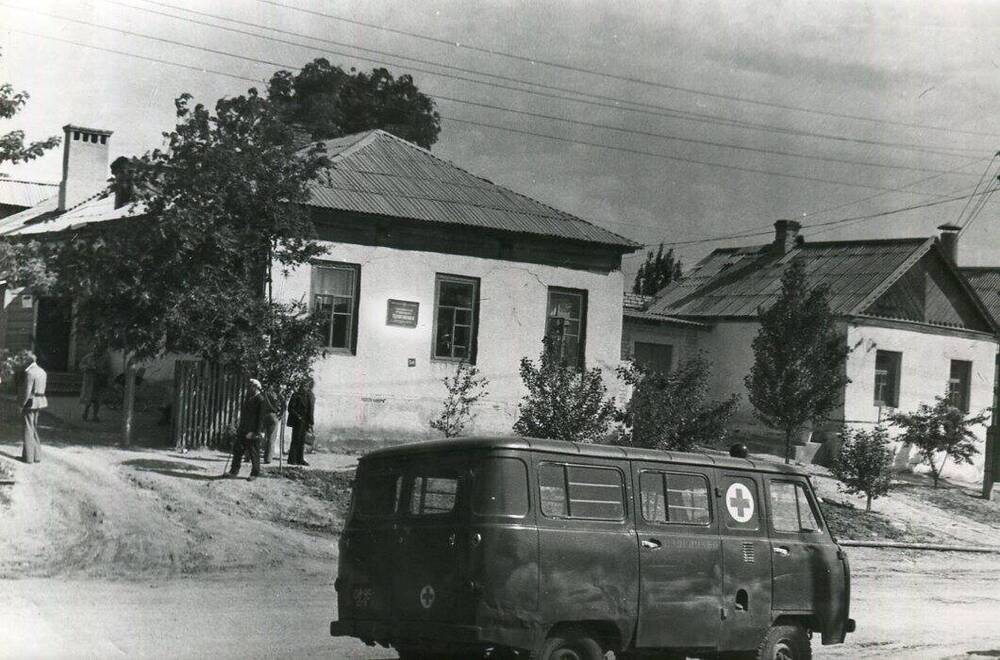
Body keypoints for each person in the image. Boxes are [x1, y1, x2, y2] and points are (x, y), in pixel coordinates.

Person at [229, 378, 267, 480]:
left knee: (253, 452)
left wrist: (256, 432)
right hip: (243, 429)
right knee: (237, 450)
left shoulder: (261, 400)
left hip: (253, 431)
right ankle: (234, 471)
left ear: (256, 387)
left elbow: (261, 419)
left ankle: (255, 473)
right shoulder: (248, 398)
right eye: (248, 386)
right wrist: (240, 427)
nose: (248, 388)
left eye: (250, 386)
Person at [21, 352, 48, 464]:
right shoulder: (42, 371)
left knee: (28, 428)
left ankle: (28, 458)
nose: (23, 363)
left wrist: (21, 405)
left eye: (24, 361)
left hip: (30, 402)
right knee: (34, 428)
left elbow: (27, 392)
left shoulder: (30, 373)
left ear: (28, 361)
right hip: (40, 401)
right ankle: (37, 456)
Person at [287, 378, 315, 466]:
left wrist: (310, 422)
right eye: (304, 386)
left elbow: (310, 410)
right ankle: (292, 459)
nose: (305, 388)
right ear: (301, 386)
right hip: (297, 421)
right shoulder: (296, 395)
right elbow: (290, 408)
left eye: (307, 386)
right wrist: (297, 416)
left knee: (302, 440)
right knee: (295, 440)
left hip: (305, 422)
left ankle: (300, 459)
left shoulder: (307, 396)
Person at [79, 347, 109, 422]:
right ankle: (85, 413)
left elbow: (108, 369)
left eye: (99, 351)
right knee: (88, 399)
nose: (97, 353)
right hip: (90, 381)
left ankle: (95, 416)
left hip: (99, 381)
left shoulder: (105, 359)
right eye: (96, 351)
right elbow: (81, 365)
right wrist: (87, 368)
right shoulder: (88, 357)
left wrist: (101, 371)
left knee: (97, 400)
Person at [261, 388, 280, 465]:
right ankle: (268, 458)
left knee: (262, 436)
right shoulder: (274, 395)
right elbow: (281, 405)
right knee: (271, 438)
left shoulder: (263, 394)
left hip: (264, 416)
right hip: (273, 415)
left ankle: (248, 456)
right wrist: (279, 414)